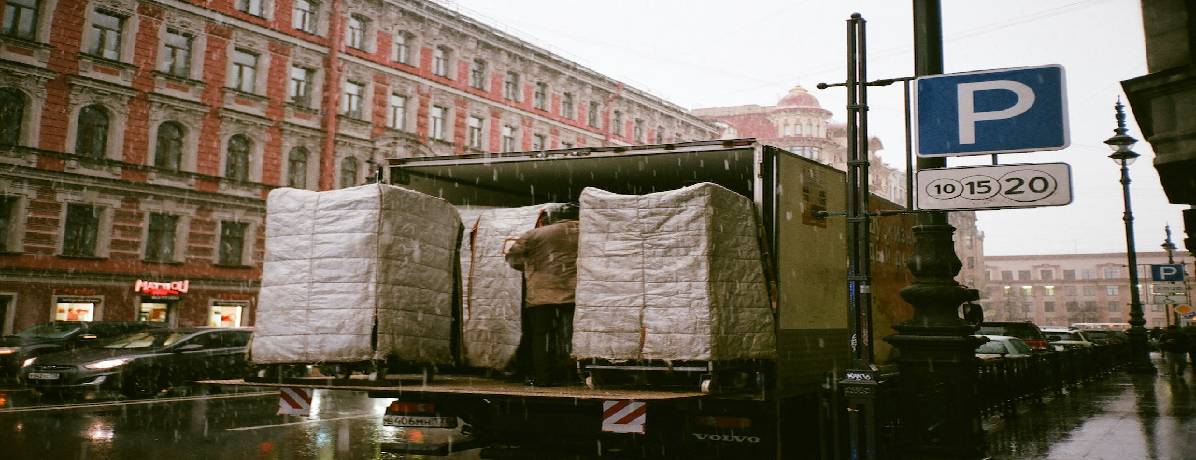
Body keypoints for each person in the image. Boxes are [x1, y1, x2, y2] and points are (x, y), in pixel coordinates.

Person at [505, 205, 580, 387]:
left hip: (542, 295)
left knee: (541, 337)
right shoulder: (587, 232)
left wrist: (529, 267)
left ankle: (543, 378)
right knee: (572, 337)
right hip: (574, 294)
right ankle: (573, 375)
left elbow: (512, 257)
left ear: (553, 217)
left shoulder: (536, 234)